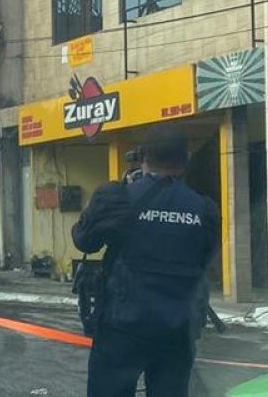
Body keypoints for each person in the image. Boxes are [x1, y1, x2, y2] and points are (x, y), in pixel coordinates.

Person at [72, 127, 219, 397]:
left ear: (143, 158)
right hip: (178, 330)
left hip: (123, 326)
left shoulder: (118, 197)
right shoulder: (203, 209)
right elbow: (206, 255)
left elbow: (84, 241)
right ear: (185, 160)